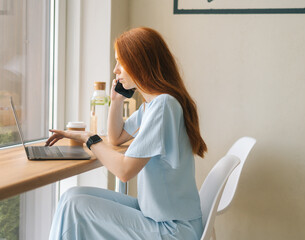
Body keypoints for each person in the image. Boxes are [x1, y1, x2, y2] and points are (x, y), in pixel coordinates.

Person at [46, 27, 208, 240]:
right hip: (158, 216)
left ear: (140, 63)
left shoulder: (164, 105)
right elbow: (116, 137)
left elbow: (124, 171)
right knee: (71, 196)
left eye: (121, 62)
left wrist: (89, 138)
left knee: (75, 206)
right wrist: (116, 100)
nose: (115, 70)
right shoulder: (153, 104)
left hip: (172, 229)